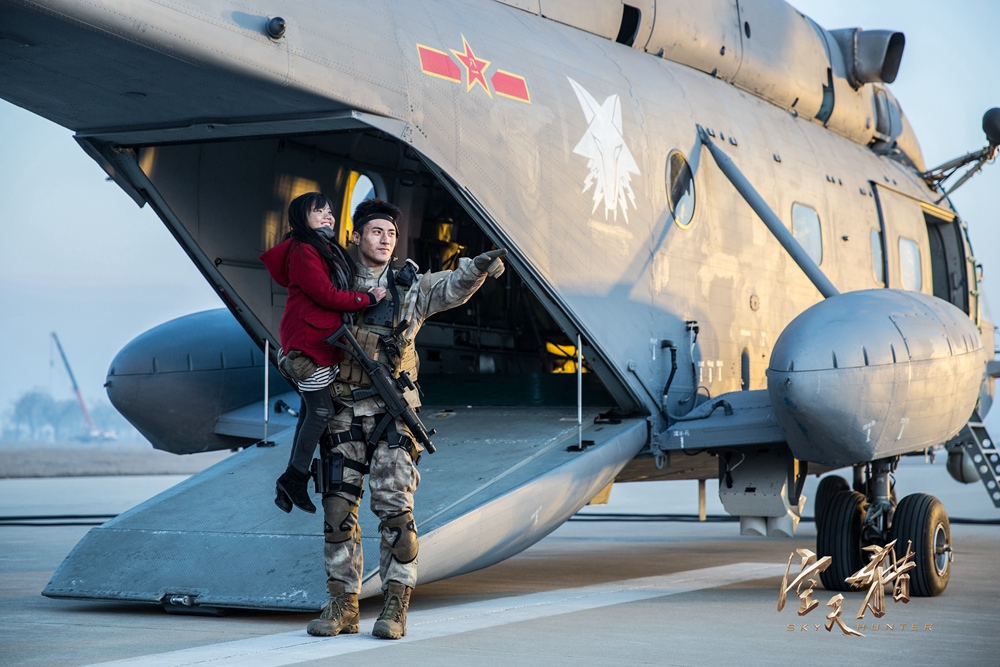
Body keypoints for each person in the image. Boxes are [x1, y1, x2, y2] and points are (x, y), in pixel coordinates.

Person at [306, 198, 506, 640]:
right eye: (376, 231)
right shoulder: (329, 283)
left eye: (391, 233)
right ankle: (343, 604)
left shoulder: (408, 287)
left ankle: (396, 603)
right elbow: (298, 328)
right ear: (356, 236)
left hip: (393, 413)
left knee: (397, 514)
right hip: (343, 412)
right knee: (338, 512)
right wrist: (293, 364)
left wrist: (476, 267)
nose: (384, 239)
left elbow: (451, 286)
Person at [260, 192, 386, 515]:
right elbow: (326, 294)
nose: (328, 216)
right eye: (320, 212)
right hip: (309, 343)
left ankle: (290, 487)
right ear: (303, 218)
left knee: (308, 410)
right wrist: (367, 300)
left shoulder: (322, 248)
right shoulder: (304, 251)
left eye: (330, 212)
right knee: (320, 412)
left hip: (319, 339)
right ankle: (293, 479)